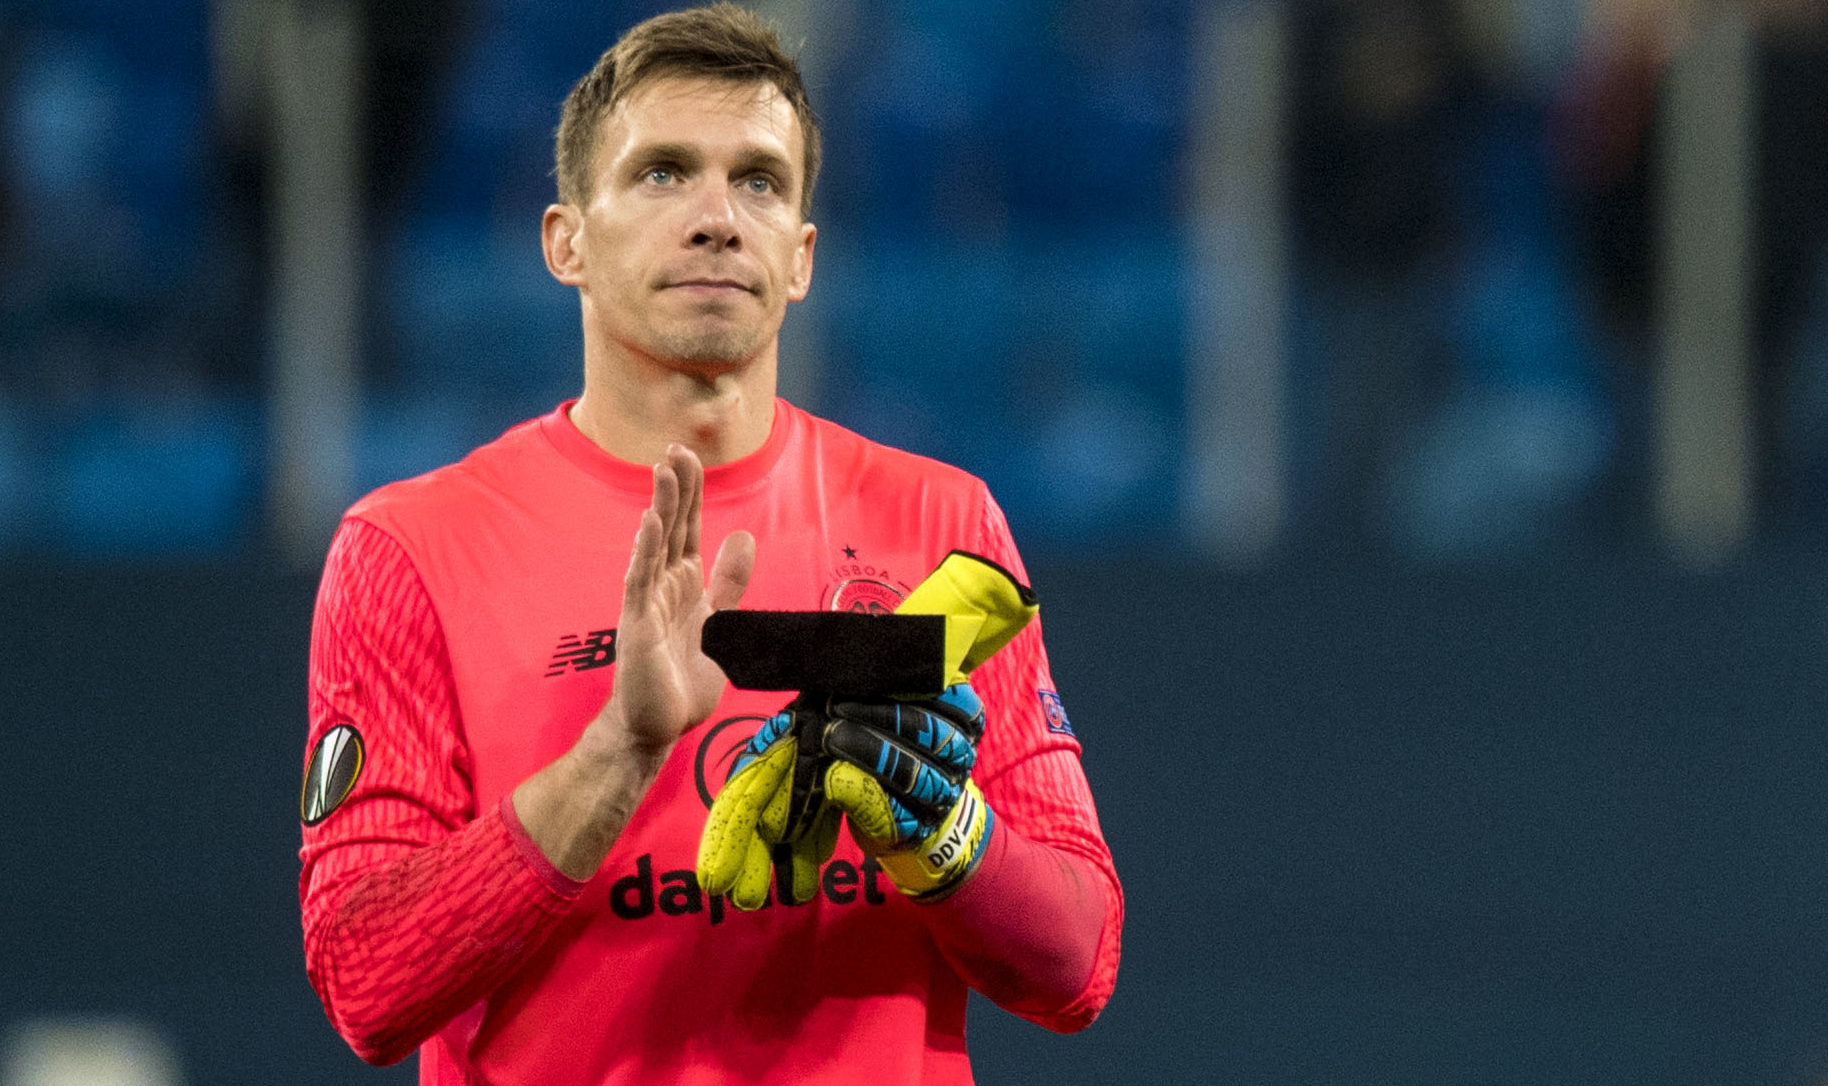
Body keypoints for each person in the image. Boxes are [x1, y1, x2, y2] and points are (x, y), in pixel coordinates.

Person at [296, 5, 1123, 1083]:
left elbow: (1078, 964)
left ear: (801, 259)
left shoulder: (942, 525)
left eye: (760, 182)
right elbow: (366, 984)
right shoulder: (411, 548)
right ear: (566, 242)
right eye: (662, 173)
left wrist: (940, 835)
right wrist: (619, 753)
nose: (717, 218)